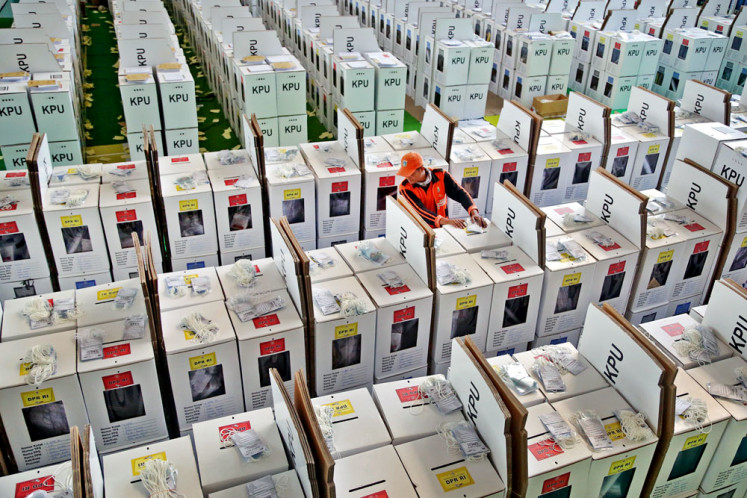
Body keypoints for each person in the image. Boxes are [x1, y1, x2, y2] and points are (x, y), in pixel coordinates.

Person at [397, 151, 488, 229]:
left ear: (421, 169)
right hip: (422, 229)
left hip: (444, 226)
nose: (408, 177)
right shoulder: (405, 188)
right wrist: (447, 221)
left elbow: (460, 193)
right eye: (405, 174)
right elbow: (420, 210)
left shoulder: (441, 175)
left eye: (411, 174)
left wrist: (473, 212)